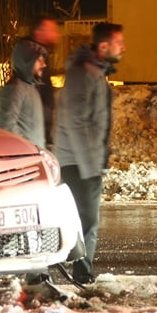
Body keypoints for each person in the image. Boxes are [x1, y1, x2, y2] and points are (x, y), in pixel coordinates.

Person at [53, 21, 125, 285]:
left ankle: (81, 270)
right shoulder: (83, 73)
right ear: (104, 45)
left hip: (83, 160)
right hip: (78, 162)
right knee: (86, 222)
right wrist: (89, 165)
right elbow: (76, 120)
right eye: (119, 43)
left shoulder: (93, 72)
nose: (123, 48)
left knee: (86, 221)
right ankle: (82, 273)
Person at [0, 44, 47, 148]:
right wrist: (29, 149)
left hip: (34, 157)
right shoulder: (14, 89)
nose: (44, 64)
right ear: (27, 62)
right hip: (25, 158)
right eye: (38, 60)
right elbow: (7, 126)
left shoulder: (31, 87)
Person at [28, 15, 62, 146]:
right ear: (39, 33)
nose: (56, 34)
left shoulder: (41, 55)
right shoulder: (32, 58)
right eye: (51, 30)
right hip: (35, 133)